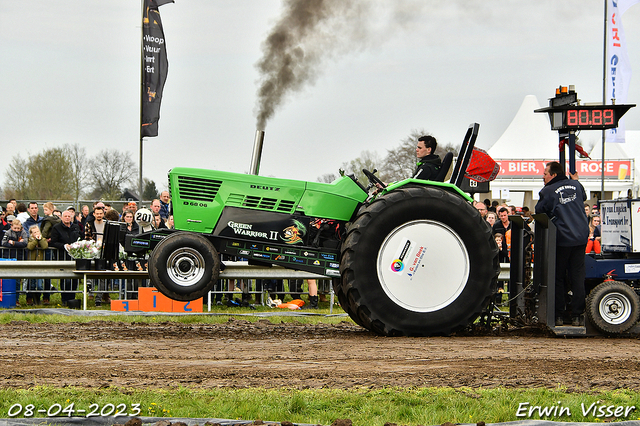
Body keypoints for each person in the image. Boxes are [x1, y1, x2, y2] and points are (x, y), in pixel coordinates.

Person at [536, 161, 589, 327]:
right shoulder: (576, 185)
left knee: (558, 277)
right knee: (577, 277)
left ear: (553, 175)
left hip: (562, 239)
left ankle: (559, 314)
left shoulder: (548, 190)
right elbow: (584, 197)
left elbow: (539, 210)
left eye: (545, 173)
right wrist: (577, 180)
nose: (542, 176)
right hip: (581, 237)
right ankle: (578, 316)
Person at [50, 210, 81, 305]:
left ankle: (72, 299)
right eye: (65, 216)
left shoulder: (76, 227)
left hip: (75, 257)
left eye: (69, 216)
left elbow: (81, 238)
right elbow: (53, 242)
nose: (67, 218)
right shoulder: (56, 228)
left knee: (75, 279)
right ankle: (65, 299)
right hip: (63, 256)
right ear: (62, 217)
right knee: (65, 279)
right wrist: (64, 246)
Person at [26, 225, 48, 305]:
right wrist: (35, 240)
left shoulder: (43, 239)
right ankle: (30, 299)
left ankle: (38, 298)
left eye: (38, 231)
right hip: (31, 264)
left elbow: (45, 246)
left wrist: (40, 239)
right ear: (31, 234)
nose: (37, 233)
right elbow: (30, 247)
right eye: (34, 232)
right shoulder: (29, 240)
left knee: (39, 285)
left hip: (40, 265)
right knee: (31, 283)